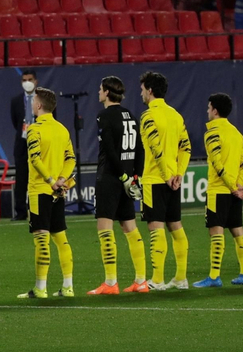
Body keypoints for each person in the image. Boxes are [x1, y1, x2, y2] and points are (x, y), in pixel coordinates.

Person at [89, 75, 149, 295]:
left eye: (100, 89)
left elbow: (111, 150)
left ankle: (111, 282)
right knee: (129, 227)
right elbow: (140, 149)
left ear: (106, 92)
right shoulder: (131, 116)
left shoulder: (103, 116)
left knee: (105, 228)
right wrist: (136, 176)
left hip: (111, 178)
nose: (98, 92)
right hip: (129, 180)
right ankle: (141, 281)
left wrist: (123, 176)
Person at [17, 87, 77, 299]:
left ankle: (40, 288)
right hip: (58, 192)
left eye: (33, 101)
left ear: (39, 105)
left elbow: (35, 158)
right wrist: (62, 179)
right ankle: (68, 286)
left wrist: (51, 181)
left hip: (40, 190)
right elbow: (71, 159)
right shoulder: (62, 129)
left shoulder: (34, 129)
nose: (32, 104)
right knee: (61, 238)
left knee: (41, 240)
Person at [138, 71, 192, 290]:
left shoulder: (147, 116)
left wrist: (166, 174)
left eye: (142, 89)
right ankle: (180, 278)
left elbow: (155, 147)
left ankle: (157, 279)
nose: (140, 93)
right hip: (173, 180)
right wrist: (179, 173)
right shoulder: (175, 115)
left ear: (150, 91)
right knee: (176, 227)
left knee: (156, 228)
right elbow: (186, 147)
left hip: (155, 179)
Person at [194, 94, 243, 288]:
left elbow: (217, 164)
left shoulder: (212, 132)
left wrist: (232, 186)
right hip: (233, 190)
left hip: (219, 190)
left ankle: (214, 276)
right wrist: (238, 184)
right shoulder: (236, 133)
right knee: (238, 231)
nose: (207, 111)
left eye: (209, 108)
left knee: (216, 232)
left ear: (215, 110)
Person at [9, 69, 39, 220]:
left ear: (36, 81)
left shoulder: (43, 99)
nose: (27, 82)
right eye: (24, 80)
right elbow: (15, 121)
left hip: (40, 143)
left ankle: (40, 210)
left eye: (30, 79)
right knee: (21, 179)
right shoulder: (16, 101)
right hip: (22, 144)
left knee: (40, 177)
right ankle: (20, 212)